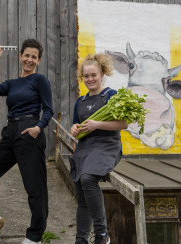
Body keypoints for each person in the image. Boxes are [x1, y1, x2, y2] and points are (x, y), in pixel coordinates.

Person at [0, 39, 54, 244]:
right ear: (20, 56)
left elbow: (48, 109)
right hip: (10, 133)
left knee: (35, 188)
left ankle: (34, 237)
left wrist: (38, 128)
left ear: (38, 60)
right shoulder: (13, 83)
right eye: (26, 55)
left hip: (30, 132)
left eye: (34, 57)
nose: (29, 59)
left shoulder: (39, 80)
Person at [70, 53, 128, 244]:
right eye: (86, 76)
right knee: (81, 193)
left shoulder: (112, 95)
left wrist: (97, 125)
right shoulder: (81, 101)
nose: (90, 79)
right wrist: (74, 129)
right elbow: (77, 129)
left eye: (93, 75)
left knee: (88, 179)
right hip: (85, 148)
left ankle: (102, 235)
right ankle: (81, 239)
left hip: (107, 146)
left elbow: (123, 124)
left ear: (102, 73)